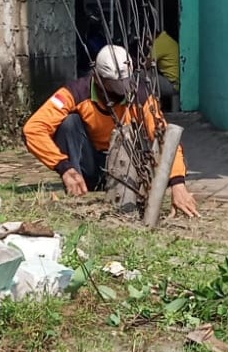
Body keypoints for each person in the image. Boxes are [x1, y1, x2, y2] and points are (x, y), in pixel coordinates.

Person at [22, 44, 201, 218]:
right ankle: (76, 186)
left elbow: (165, 139)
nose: (121, 92)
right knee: (69, 122)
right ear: (98, 79)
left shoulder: (141, 97)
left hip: (129, 169)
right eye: (114, 86)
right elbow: (33, 129)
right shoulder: (76, 92)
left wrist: (178, 183)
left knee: (142, 133)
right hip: (89, 165)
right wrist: (64, 168)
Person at [151, 29, 180, 104]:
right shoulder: (166, 39)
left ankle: (151, 106)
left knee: (142, 74)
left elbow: (147, 64)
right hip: (177, 83)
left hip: (172, 85)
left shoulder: (158, 43)